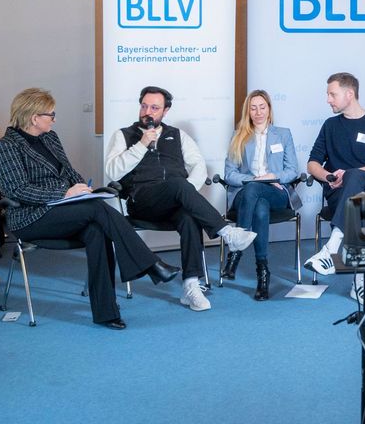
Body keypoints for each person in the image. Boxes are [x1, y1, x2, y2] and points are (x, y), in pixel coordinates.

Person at [0, 88, 180, 329]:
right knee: (96, 211)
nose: (54, 118)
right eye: (51, 114)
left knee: (96, 230)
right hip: (29, 217)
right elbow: (17, 190)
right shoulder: (6, 147)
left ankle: (106, 311)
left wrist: (82, 187)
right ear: (34, 117)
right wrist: (63, 193)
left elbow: (68, 171)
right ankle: (151, 264)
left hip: (62, 210)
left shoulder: (50, 137)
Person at [105, 86, 257, 312]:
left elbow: (199, 166)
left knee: (189, 216)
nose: (148, 111)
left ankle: (190, 286)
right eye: (144, 106)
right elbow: (112, 172)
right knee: (179, 184)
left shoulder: (177, 135)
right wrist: (142, 145)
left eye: (155, 107)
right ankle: (227, 232)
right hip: (142, 201)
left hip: (174, 200)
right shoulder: (123, 135)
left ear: (165, 111)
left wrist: (187, 194)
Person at [304, 72, 365, 304]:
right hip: (340, 192)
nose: (328, 99)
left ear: (349, 93)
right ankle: (361, 285)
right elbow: (313, 162)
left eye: (332, 94)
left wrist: (354, 174)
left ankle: (332, 247)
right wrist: (329, 175)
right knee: (360, 206)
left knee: (356, 178)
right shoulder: (330, 125)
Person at [222, 89, 302, 301]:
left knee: (259, 195)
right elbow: (229, 174)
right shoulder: (238, 136)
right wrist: (253, 180)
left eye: (262, 107)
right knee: (259, 203)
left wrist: (273, 176)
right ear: (247, 111)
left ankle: (236, 252)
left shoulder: (283, 134)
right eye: (253, 108)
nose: (258, 112)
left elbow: (293, 170)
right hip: (245, 192)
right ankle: (263, 271)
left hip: (276, 190)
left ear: (269, 109)